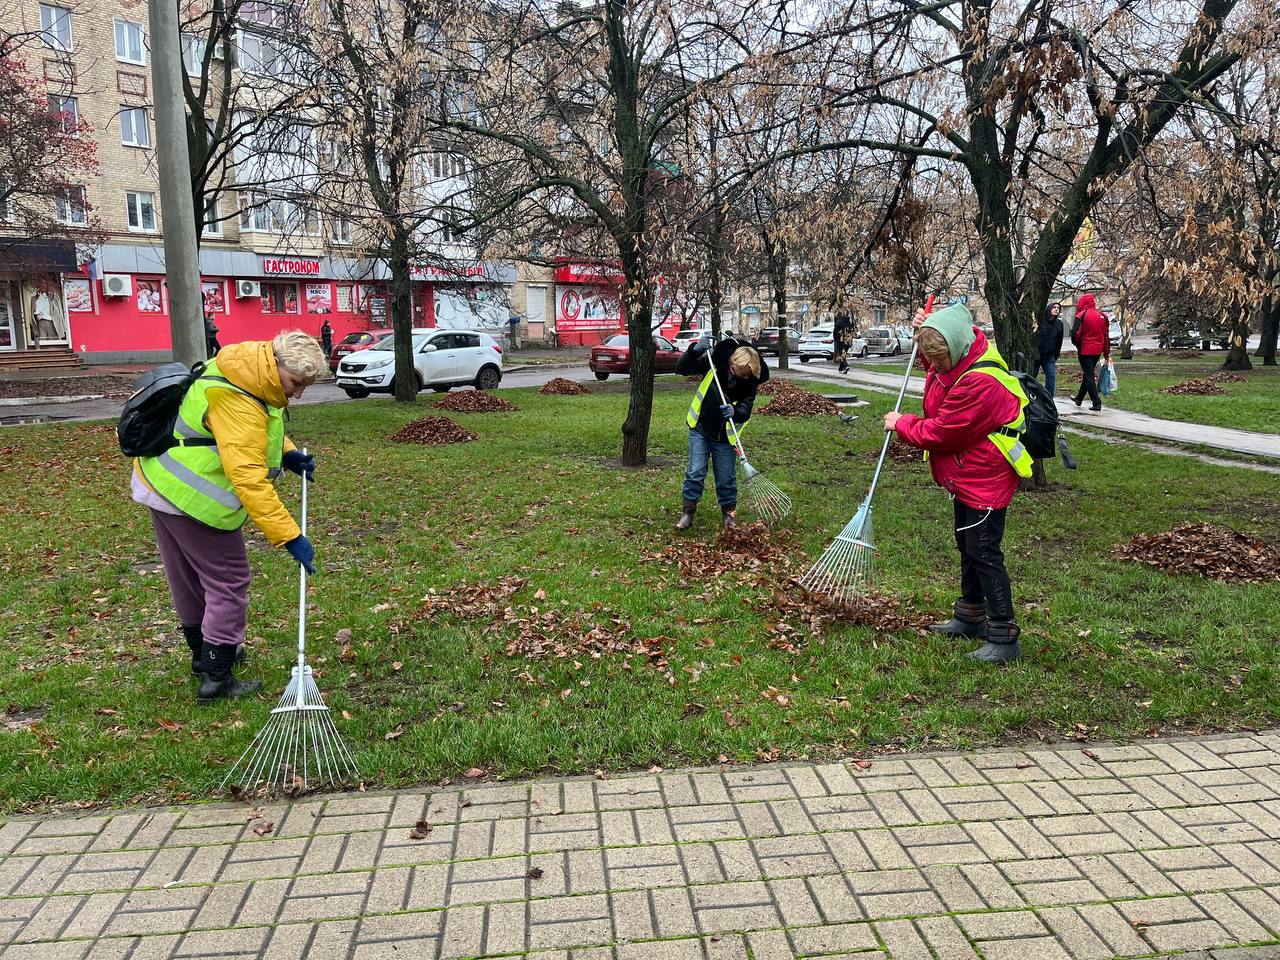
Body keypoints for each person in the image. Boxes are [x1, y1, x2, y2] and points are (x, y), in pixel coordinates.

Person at [131, 331, 326, 703]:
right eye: (296, 383)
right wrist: (290, 535)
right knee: (229, 579)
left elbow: (254, 430)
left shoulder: (247, 370)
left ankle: (204, 656)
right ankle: (217, 676)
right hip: (193, 498)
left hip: (160, 482)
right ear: (279, 366)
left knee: (187, 577)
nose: (297, 393)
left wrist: (285, 453)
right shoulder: (237, 398)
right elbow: (249, 479)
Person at [884, 303, 1032, 664]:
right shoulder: (963, 351)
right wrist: (928, 329)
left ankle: (1004, 634)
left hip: (986, 475)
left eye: (939, 359)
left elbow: (944, 432)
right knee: (967, 545)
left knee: (984, 551)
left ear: (958, 348)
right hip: (967, 472)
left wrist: (901, 423)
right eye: (930, 360)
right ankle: (970, 615)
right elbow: (940, 368)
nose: (934, 367)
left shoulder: (980, 382)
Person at [675, 336, 769, 531]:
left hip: (725, 437)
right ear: (731, 364)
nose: (741, 379)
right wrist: (694, 350)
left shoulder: (750, 381)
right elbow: (682, 368)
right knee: (695, 471)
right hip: (700, 428)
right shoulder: (713, 364)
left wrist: (735, 412)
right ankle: (688, 511)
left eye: (745, 377)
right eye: (738, 373)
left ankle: (729, 514)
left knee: (726, 477)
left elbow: (745, 410)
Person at [1070, 293, 1110, 411]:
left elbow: (1075, 334)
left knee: (1089, 375)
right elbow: (1105, 335)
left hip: (1085, 349)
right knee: (1088, 373)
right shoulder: (1102, 316)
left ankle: (1096, 402)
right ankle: (1079, 398)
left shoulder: (1081, 315)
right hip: (1097, 350)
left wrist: (1078, 345)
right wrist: (1106, 352)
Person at [1032, 303, 1064, 395]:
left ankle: (1049, 401)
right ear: (1049, 308)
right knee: (1031, 377)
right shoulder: (1040, 322)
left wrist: (1055, 356)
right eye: (1054, 307)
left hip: (1049, 357)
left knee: (1051, 378)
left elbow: (1059, 342)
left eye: (1058, 308)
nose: (1056, 309)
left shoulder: (1059, 324)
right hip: (1037, 355)